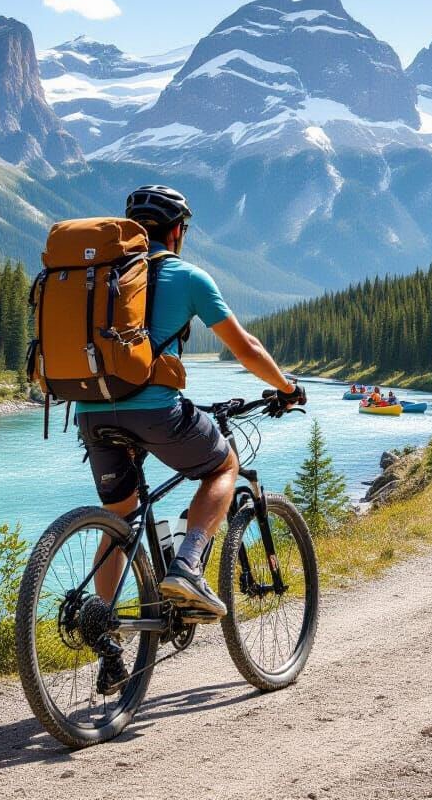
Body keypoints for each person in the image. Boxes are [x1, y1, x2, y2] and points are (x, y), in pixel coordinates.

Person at [74, 185, 306, 691]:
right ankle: (187, 565)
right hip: (153, 410)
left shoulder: (101, 278)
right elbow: (245, 347)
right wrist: (287, 388)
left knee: (121, 518)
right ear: (177, 230)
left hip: (89, 412)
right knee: (222, 466)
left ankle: (107, 636)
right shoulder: (186, 276)